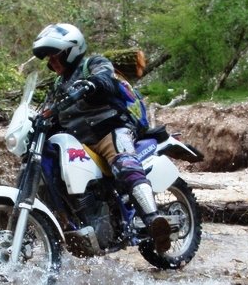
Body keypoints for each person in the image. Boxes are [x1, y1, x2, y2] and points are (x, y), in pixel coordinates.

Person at [31, 22, 171, 253]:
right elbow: (51, 110)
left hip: (110, 130)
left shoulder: (93, 64)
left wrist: (92, 83)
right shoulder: (59, 83)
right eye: (47, 58)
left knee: (124, 165)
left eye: (54, 55)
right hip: (80, 140)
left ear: (71, 50)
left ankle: (153, 218)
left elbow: (105, 79)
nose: (51, 62)